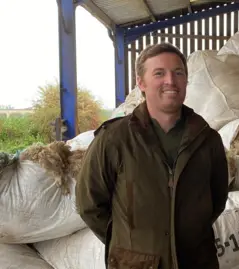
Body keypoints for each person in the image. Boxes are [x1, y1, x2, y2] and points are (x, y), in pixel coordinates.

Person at [76, 43, 229, 269]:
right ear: (141, 83)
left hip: (196, 261)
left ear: (186, 81)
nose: (170, 80)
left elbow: (216, 200)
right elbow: (89, 204)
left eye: (178, 73)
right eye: (159, 73)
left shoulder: (207, 140)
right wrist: (129, 242)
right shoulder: (114, 139)